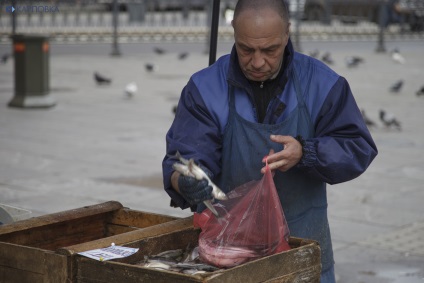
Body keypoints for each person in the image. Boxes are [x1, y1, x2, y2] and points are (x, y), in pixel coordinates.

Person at [162, 0, 378, 281]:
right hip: (228, 254)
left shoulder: (323, 83)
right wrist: (187, 180)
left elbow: (356, 146)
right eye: (246, 49)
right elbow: (184, 157)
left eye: (270, 50)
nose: (258, 62)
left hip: (302, 246)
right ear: (234, 33)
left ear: (287, 33)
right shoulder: (204, 88)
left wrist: (307, 152)